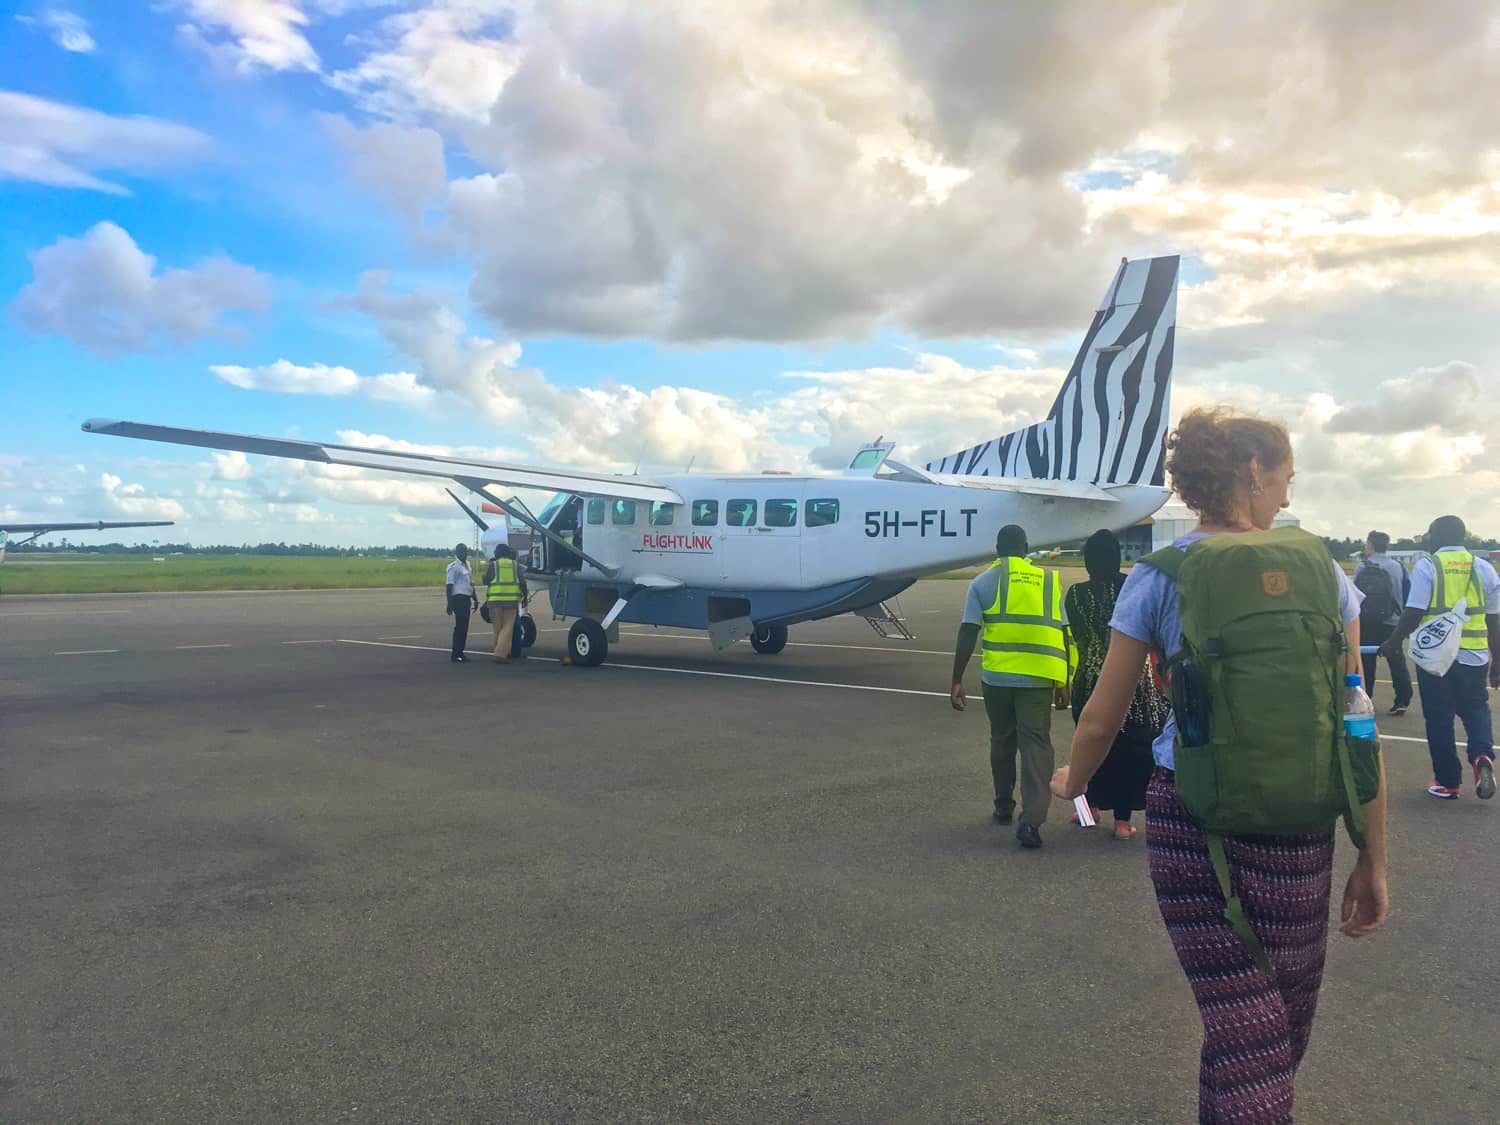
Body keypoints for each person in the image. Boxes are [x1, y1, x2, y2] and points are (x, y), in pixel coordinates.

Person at [1052, 407, 1388, 1123]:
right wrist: (1374, 854)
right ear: (1253, 470)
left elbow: (1102, 715)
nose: (1289, 498)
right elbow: (1356, 725)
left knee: (1246, 1032)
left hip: (1193, 819)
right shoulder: (1321, 573)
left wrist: (1071, 783)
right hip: (1303, 829)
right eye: (1286, 478)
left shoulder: (1160, 575)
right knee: (1275, 1031)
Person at [950, 524, 1073, 850]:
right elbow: (1064, 633)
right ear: (1026, 548)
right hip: (1038, 678)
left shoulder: (983, 582)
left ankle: (1004, 804)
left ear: (997, 548)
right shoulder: (1049, 582)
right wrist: (1065, 680)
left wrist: (957, 678)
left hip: (998, 679)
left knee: (1002, 739)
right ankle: (1031, 823)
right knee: (1036, 746)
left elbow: (968, 631)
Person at [1379, 515, 1500, 800]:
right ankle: (1482, 755)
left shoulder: (1428, 566)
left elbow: (1414, 611)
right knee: (1476, 709)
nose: (1428, 537)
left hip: (1436, 658)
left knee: (1439, 716)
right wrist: (1497, 664)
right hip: (1474, 654)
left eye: (1430, 533)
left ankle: (1447, 781)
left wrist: (1393, 641)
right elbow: (1494, 621)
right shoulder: (1483, 567)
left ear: (1439, 536)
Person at [1062, 528, 1170, 841]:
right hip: (1130, 680)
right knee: (1128, 750)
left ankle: (1086, 810)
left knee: (1087, 743)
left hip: (1088, 677)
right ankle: (1122, 822)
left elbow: (1082, 638)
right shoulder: (1129, 587)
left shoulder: (1076, 595)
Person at [1353, 530, 1412, 715]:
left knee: (1366, 663)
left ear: (1370, 545)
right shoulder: (1398, 567)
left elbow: (1355, 595)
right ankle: (1402, 699)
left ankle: (1366, 699)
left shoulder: (1362, 567)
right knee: (1396, 661)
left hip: (1367, 620)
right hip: (1392, 621)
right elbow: (1406, 591)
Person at [482, 542, 527, 663]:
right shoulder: (515, 565)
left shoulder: (493, 565)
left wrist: (484, 576)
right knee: (507, 628)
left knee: (497, 628)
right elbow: (522, 583)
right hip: (511, 601)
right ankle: (500, 653)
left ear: (499, 553)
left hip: (495, 601)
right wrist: (525, 597)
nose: (494, 552)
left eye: (496, 551)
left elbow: (486, 580)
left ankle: (499, 652)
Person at [444, 542, 477, 663]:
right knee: (460, 627)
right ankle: (456, 653)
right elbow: (449, 586)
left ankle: (460, 652)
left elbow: (470, 583)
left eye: (466, 551)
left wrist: (475, 598)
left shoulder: (467, 565)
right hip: (458, 599)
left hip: (466, 598)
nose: (465, 553)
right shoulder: (453, 567)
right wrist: (449, 604)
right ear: (457, 553)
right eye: (462, 551)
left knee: (464, 627)